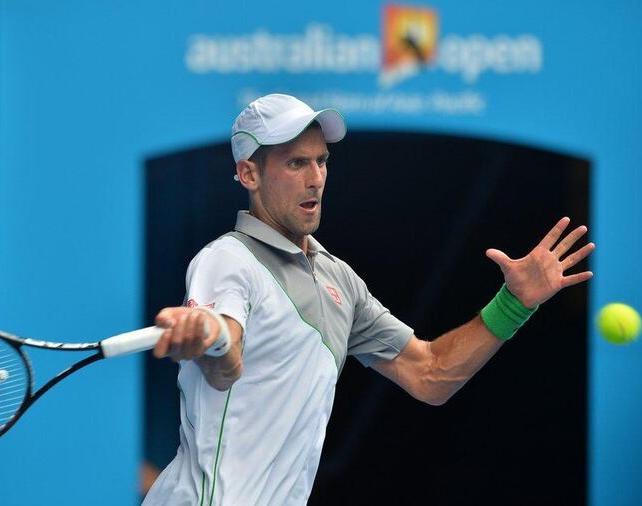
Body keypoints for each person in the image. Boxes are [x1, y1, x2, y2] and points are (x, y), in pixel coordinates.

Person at [141, 94, 594, 506]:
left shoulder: (340, 281)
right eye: (296, 163)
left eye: (322, 161)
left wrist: (514, 303)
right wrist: (209, 340)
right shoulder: (228, 259)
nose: (315, 179)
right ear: (249, 174)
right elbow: (227, 363)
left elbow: (431, 374)